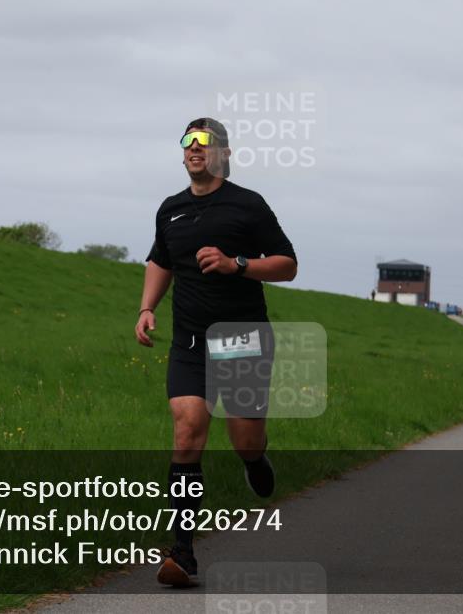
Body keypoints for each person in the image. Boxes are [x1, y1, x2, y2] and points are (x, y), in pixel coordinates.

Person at [135, 117, 298, 587]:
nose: (194, 148)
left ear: (223, 152)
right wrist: (147, 308)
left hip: (242, 338)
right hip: (189, 341)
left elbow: (287, 264)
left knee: (244, 438)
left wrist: (236, 264)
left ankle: (254, 458)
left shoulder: (248, 205)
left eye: (204, 142)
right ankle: (182, 552)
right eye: (187, 141)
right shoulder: (171, 210)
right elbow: (160, 260)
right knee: (187, 432)